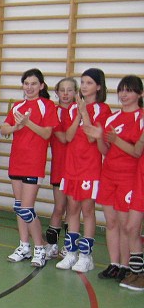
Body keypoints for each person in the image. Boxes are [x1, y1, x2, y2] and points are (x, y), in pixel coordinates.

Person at [0, 69, 59, 268]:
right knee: (19, 207)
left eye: (33, 83)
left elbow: (47, 134)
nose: (29, 87)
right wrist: (16, 127)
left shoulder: (47, 106)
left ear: (41, 86)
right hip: (16, 161)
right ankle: (24, 246)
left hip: (33, 163)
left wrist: (28, 123)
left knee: (27, 209)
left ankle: (40, 248)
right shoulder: (18, 106)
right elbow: (4, 129)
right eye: (26, 83)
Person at [56, 68, 112, 273]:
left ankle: (86, 256)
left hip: (90, 167)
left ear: (98, 86)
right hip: (71, 166)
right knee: (72, 210)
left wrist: (85, 113)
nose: (84, 86)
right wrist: (78, 113)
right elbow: (68, 137)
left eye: (89, 82)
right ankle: (71, 253)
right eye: (83, 82)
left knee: (87, 210)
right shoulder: (73, 108)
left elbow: (91, 137)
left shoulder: (103, 109)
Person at [91, 75, 143, 281]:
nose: (123, 94)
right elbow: (105, 150)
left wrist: (116, 139)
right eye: (121, 90)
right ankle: (114, 264)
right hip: (109, 175)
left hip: (129, 177)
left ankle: (125, 265)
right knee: (111, 222)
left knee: (125, 225)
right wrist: (99, 138)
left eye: (129, 90)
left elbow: (136, 152)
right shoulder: (112, 118)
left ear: (140, 94)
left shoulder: (141, 117)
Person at [45, 77, 78, 258]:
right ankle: (51, 244)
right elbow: (64, 138)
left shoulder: (79, 111)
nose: (65, 94)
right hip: (59, 166)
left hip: (77, 167)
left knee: (73, 210)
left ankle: (68, 246)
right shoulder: (54, 111)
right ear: (56, 92)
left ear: (76, 92)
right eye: (62, 90)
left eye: (70, 90)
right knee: (59, 207)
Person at [120, 77, 144, 291]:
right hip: (139, 178)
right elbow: (137, 150)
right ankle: (137, 272)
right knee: (130, 227)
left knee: (132, 227)